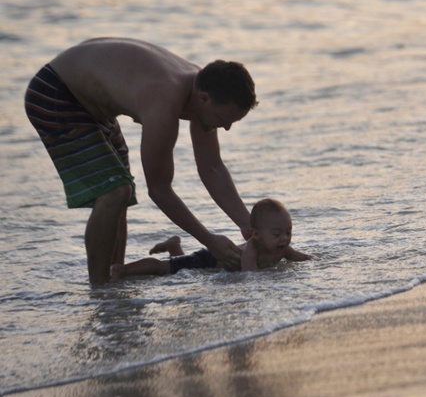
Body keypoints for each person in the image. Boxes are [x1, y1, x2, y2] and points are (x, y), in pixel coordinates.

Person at [24, 37, 259, 285]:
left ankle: (115, 274)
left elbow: (212, 168)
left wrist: (249, 227)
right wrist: (210, 240)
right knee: (115, 190)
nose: (227, 128)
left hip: (92, 101)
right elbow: (159, 189)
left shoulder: (205, 87)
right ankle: (100, 289)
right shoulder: (164, 100)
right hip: (54, 92)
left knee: (120, 191)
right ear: (204, 99)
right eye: (224, 119)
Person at [110, 199, 312, 278]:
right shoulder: (253, 249)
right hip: (210, 258)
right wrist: (272, 279)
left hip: (212, 269)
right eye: (277, 235)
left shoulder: (282, 247)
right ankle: (124, 269)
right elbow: (251, 274)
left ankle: (174, 246)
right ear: (257, 235)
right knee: (167, 268)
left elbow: (301, 258)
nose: (284, 239)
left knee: (182, 273)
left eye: (289, 232)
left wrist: (320, 263)